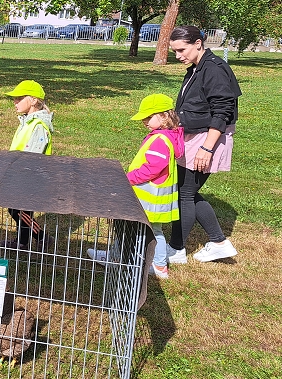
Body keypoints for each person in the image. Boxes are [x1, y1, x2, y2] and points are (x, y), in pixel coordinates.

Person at [167, 25, 240, 263]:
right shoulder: (198, 67)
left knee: (185, 194)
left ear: (198, 43)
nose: (178, 56)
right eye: (175, 51)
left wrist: (206, 148)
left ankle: (176, 249)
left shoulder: (215, 69)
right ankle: (219, 242)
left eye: (181, 50)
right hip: (195, 136)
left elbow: (223, 111)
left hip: (207, 139)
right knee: (187, 192)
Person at [91, 94, 184, 279]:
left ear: (165, 116)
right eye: (144, 118)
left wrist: (129, 178)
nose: (145, 121)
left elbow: (152, 168)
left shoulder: (160, 140)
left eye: (149, 117)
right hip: (155, 200)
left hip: (148, 199)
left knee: (135, 229)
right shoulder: (166, 136)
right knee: (146, 230)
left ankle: (136, 262)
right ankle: (154, 265)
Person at [2, 80, 54, 251]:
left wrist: (20, 174)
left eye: (19, 98)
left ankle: (41, 237)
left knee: (19, 211)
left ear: (33, 100)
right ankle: (23, 241)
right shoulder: (27, 122)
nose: (15, 102)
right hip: (19, 174)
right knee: (19, 210)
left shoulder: (39, 126)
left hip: (30, 178)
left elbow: (33, 157)